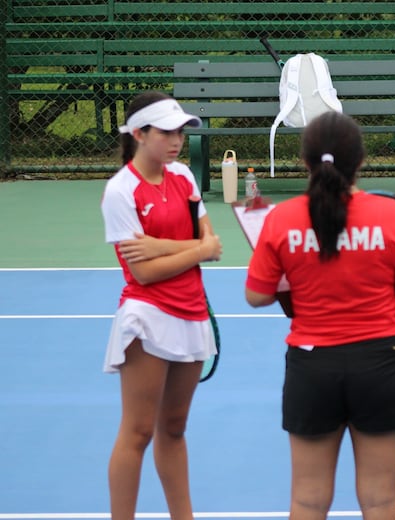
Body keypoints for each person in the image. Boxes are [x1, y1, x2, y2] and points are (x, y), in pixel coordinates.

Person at [245, 111, 395, 520]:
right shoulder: (391, 216)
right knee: (381, 502)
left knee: (308, 501)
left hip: (312, 368)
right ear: (361, 161)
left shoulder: (281, 219)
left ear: (305, 163)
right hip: (381, 363)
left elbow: (256, 294)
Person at [100, 91, 222, 520]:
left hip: (192, 315)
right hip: (146, 317)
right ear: (139, 134)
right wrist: (195, 250)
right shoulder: (120, 192)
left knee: (174, 428)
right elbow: (145, 273)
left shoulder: (185, 178)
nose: (176, 140)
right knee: (136, 432)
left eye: (180, 132)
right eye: (166, 132)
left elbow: (214, 245)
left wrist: (159, 246)